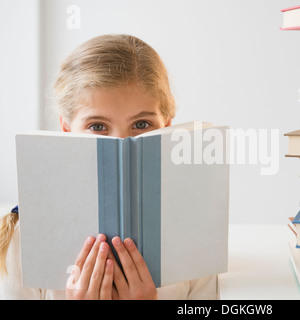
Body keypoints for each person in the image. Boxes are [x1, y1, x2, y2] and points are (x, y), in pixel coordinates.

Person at [0, 34, 218, 300]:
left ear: (167, 127)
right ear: (67, 130)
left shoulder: (194, 234)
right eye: (97, 126)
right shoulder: (24, 241)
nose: (121, 144)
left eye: (141, 124)